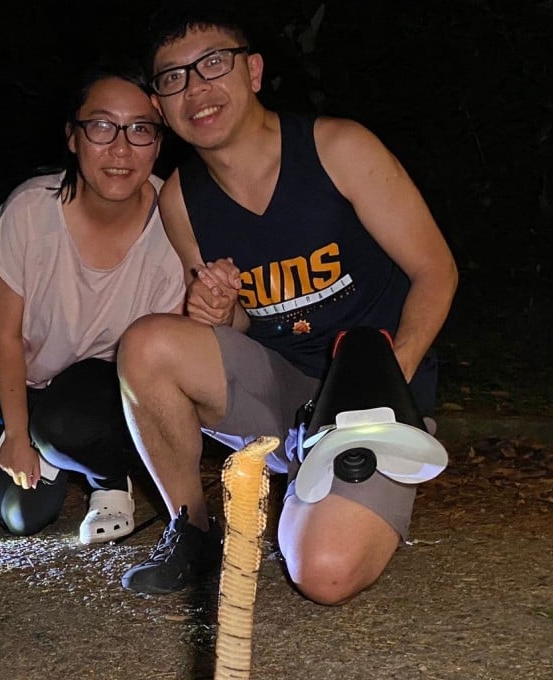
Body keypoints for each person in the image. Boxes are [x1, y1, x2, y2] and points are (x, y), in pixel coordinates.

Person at [116, 2, 458, 601]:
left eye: (213, 64)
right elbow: (251, 321)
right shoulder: (179, 198)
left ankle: (338, 491)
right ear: (162, 106)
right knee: (147, 344)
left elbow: (436, 270)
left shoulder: (338, 147)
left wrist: (388, 381)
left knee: (324, 574)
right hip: (283, 392)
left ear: (252, 72)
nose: (196, 88)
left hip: (372, 397)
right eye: (174, 78)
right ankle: (192, 530)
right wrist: (222, 313)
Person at [0, 58, 185, 545]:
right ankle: (31, 452)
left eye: (140, 130)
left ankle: (108, 481)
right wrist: (21, 437)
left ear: (158, 142)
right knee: (23, 516)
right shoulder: (29, 210)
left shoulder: (177, 219)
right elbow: (5, 335)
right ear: (72, 136)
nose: (120, 147)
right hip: (25, 383)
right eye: (102, 126)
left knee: (71, 420)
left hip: (105, 391)